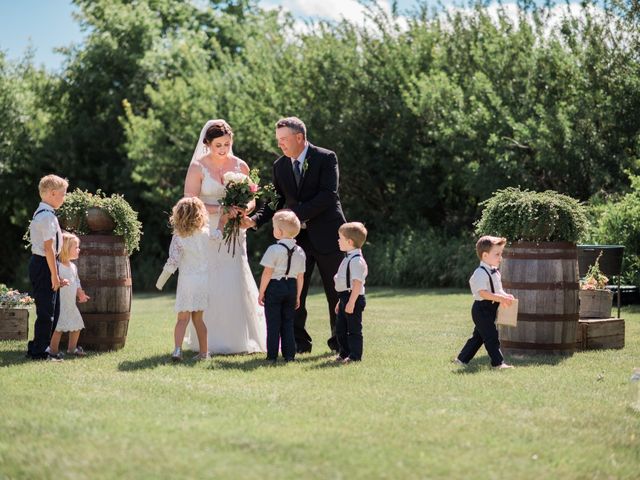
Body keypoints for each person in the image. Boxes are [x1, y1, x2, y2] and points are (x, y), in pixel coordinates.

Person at [244, 117, 346, 353]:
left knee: (336, 291)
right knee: (295, 292)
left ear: (299, 137)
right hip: (296, 240)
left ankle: (339, 343)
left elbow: (328, 195)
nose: (280, 145)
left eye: (284, 140)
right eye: (278, 140)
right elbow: (277, 200)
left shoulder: (326, 158)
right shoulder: (280, 166)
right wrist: (256, 219)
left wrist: (292, 214)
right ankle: (299, 344)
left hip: (329, 235)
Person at [183, 119, 266, 354]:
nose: (223, 149)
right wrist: (221, 209)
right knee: (210, 279)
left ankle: (240, 339)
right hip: (207, 229)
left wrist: (244, 208)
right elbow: (191, 199)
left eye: (227, 144)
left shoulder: (241, 166)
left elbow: (252, 198)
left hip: (235, 231)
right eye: (218, 145)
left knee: (236, 275)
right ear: (207, 143)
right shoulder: (198, 167)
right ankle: (207, 340)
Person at [156, 197, 216, 361]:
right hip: (203, 281)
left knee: (182, 319)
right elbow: (217, 236)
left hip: (187, 281)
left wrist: (160, 281)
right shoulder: (205, 234)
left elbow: (173, 261)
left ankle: (177, 350)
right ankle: (204, 353)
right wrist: (223, 222)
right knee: (199, 319)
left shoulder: (179, 237)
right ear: (200, 214)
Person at [454, 235, 515, 369]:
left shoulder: (495, 272)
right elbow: (483, 293)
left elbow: (498, 290)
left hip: (490, 309)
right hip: (481, 309)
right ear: (485, 256)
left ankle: (461, 359)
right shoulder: (480, 273)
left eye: (501, 254)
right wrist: (500, 298)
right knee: (491, 336)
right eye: (497, 254)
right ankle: (498, 363)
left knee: (479, 337)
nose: (501, 257)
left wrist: (505, 296)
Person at [26, 174, 69, 361]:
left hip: (47, 264)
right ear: (52, 193)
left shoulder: (47, 214)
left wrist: (56, 273)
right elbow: (48, 248)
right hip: (44, 264)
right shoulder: (46, 217)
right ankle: (40, 351)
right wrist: (54, 274)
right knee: (46, 311)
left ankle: (38, 346)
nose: (64, 198)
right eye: (63, 194)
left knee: (53, 309)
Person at [258, 210, 306, 363]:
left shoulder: (273, 250)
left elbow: (267, 273)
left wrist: (261, 292)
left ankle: (272, 356)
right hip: (291, 287)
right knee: (288, 322)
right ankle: (289, 355)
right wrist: (298, 295)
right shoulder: (300, 251)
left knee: (273, 323)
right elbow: (300, 276)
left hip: (275, 287)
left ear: (279, 231)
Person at [49, 233, 90, 358]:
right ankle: (53, 351)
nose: (79, 249)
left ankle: (72, 349)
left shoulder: (73, 267)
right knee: (58, 328)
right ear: (66, 249)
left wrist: (80, 293)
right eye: (76, 247)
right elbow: (54, 281)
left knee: (77, 325)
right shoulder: (58, 267)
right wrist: (60, 281)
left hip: (71, 304)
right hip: (61, 304)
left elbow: (76, 281)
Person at [333, 222, 368, 364]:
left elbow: (357, 284)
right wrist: (340, 302)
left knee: (353, 329)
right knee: (340, 328)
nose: (338, 241)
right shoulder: (347, 257)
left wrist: (351, 302)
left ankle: (355, 356)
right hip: (345, 297)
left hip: (353, 297)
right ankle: (344, 353)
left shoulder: (356, 261)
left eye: (340, 238)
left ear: (349, 242)